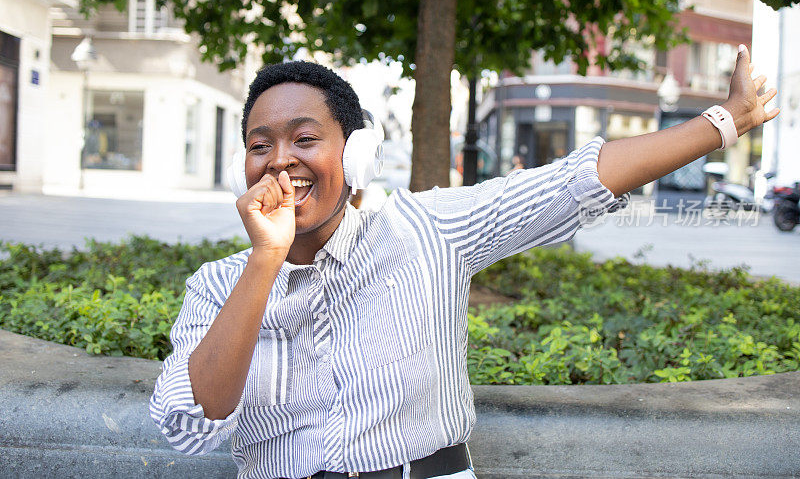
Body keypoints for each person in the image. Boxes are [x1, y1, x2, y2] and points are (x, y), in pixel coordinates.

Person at [150, 48, 778, 479]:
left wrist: (725, 122)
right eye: (260, 147)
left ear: (359, 153)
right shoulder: (219, 285)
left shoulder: (427, 229)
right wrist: (266, 260)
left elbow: (574, 181)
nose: (279, 161)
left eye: (305, 139)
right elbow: (196, 422)